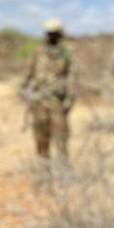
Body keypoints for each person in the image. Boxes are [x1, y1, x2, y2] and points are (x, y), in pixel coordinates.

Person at [21, 18, 74, 161]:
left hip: (57, 102)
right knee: (40, 138)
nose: (50, 35)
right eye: (48, 32)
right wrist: (23, 89)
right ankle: (44, 171)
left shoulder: (66, 53)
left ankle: (64, 172)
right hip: (39, 102)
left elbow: (71, 76)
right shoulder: (38, 51)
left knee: (61, 138)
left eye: (53, 32)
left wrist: (69, 99)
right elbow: (29, 71)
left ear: (59, 34)